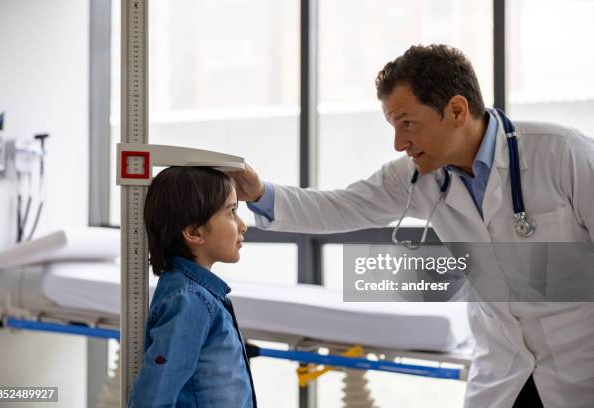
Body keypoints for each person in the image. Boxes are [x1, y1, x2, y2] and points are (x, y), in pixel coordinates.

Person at [229, 44, 594, 407]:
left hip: (579, 370)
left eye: (407, 123)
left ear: (456, 110)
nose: (399, 143)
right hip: (503, 374)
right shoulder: (418, 177)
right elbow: (341, 207)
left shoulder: (561, 154)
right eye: (393, 126)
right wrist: (259, 192)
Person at [128, 166, 256, 407]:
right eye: (232, 211)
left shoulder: (200, 295)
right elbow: (153, 398)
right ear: (195, 232)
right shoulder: (189, 301)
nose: (242, 225)